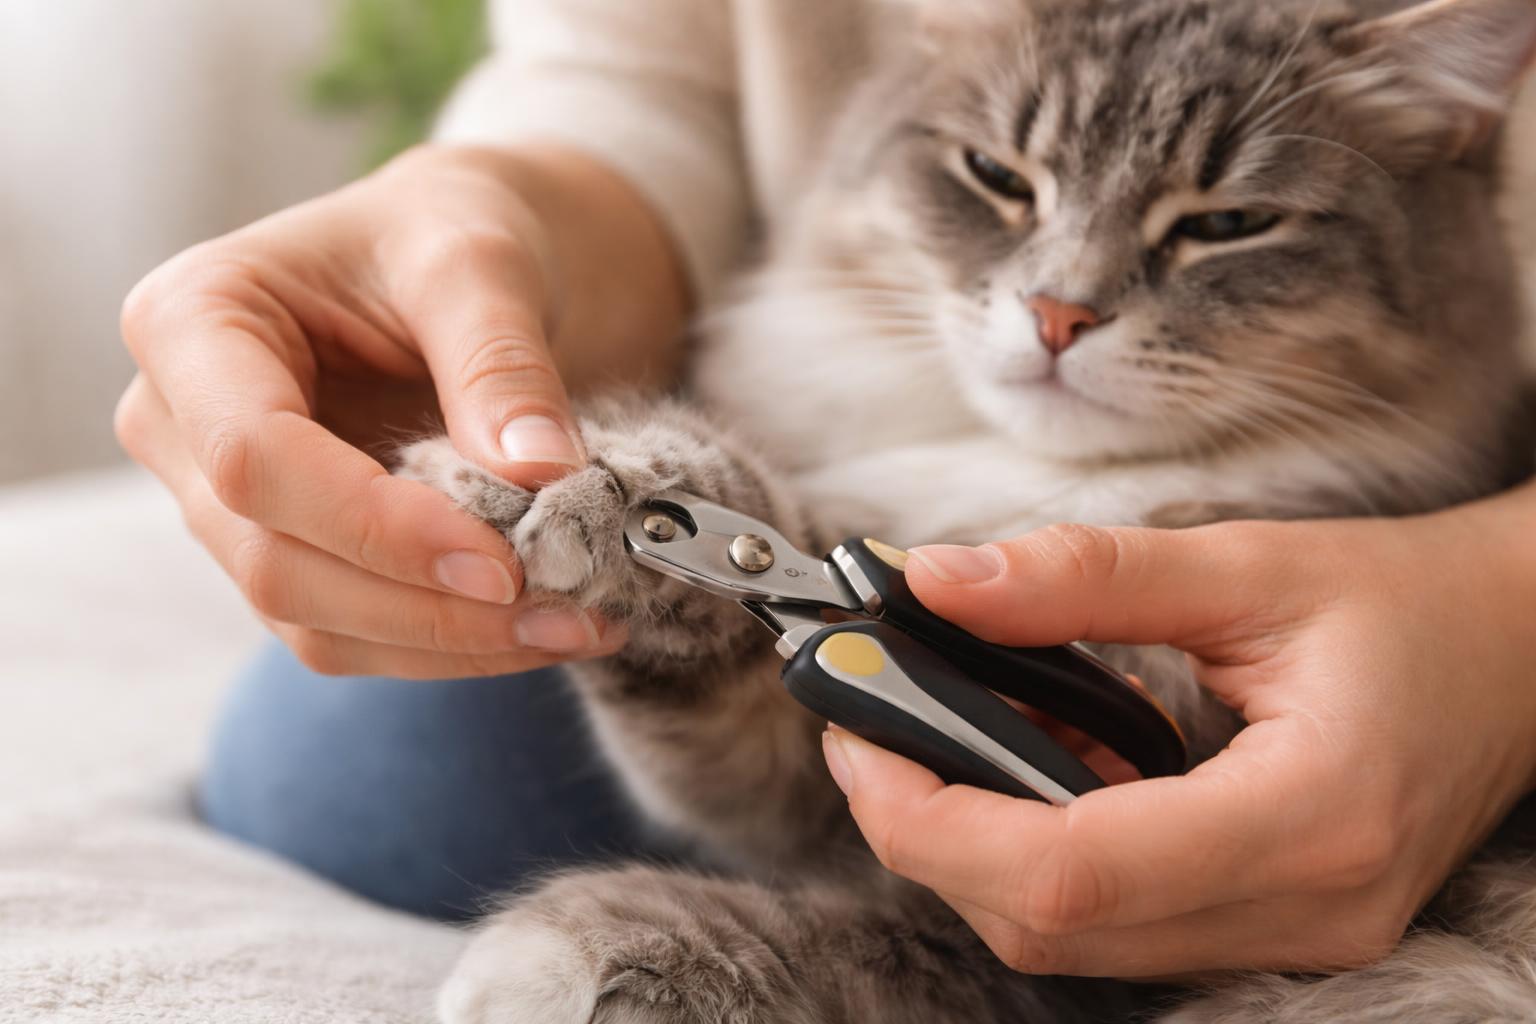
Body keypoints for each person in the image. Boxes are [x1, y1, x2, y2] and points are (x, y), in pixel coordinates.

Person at [114, 0, 1536, 975]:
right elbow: (641, 86)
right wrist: (497, 213)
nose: (1064, 298)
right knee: (365, 763)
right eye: (1001, 181)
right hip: (830, 405)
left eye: (1221, 227)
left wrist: (1496, 611)